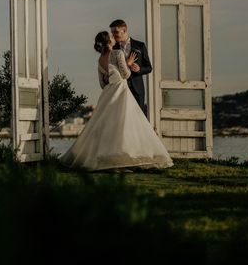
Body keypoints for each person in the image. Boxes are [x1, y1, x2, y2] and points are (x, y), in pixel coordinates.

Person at [59, 31, 172, 171]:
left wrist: (110, 78)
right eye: (112, 37)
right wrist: (129, 63)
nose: (114, 38)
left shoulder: (100, 59)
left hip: (108, 93)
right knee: (126, 123)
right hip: (121, 91)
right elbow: (125, 74)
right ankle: (126, 155)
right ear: (108, 42)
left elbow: (102, 84)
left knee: (108, 125)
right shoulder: (117, 53)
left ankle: (107, 156)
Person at [109, 19, 152, 117]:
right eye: (112, 32)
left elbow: (149, 68)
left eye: (115, 32)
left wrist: (139, 69)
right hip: (120, 89)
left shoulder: (140, 45)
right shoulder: (113, 48)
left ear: (124, 30)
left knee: (138, 117)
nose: (113, 35)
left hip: (137, 90)